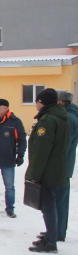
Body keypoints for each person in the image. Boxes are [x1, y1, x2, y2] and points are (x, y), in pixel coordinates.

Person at [26, 88, 68, 253]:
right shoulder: (60, 117)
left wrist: (34, 175)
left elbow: (41, 150)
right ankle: (51, 234)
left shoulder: (48, 120)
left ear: (42, 102)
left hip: (48, 170)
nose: (35, 103)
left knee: (48, 205)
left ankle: (51, 241)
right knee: (51, 203)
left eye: (37, 100)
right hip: (56, 167)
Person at [54, 90, 78, 241]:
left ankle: (58, 232)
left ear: (61, 102)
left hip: (62, 165)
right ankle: (56, 230)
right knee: (59, 199)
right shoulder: (71, 115)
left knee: (60, 200)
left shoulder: (67, 118)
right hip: (65, 164)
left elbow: (65, 144)